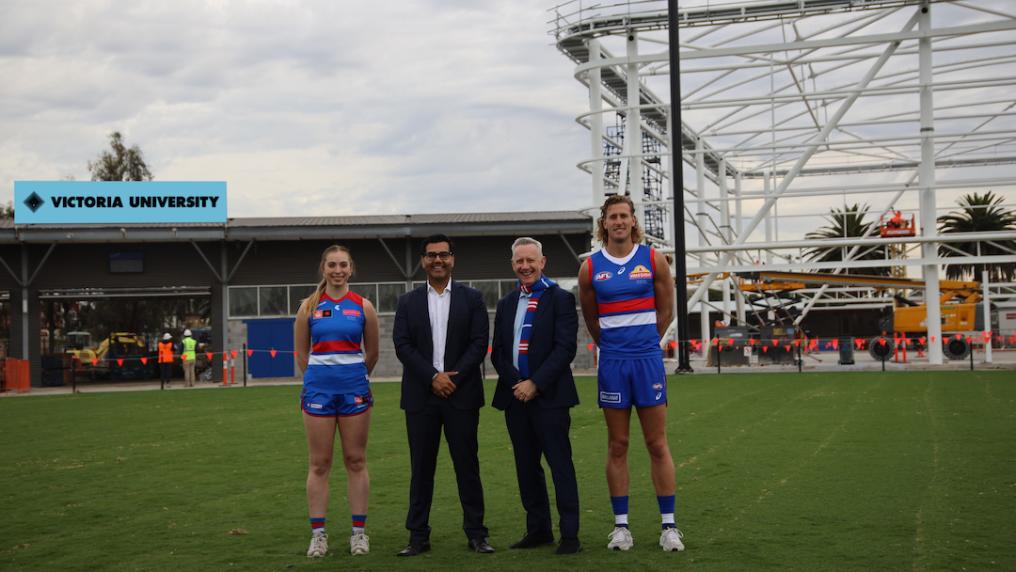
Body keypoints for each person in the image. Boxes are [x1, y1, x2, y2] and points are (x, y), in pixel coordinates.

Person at [577, 195, 685, 553]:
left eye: (625, 216)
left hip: (647, 361)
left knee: (657, 443)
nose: (619, 222)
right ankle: (621, 527)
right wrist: (614, 348)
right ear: (604, 223)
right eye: (613, 217)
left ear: (633, 221)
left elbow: (666, 311)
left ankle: (669, 526)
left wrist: (644, 344)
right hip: (613, 364)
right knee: (618, 445)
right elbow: (592, 319)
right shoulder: (590, 268)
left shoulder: (653, 259)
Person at [393, 234, 493, 556]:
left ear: (453, 259)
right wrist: (432, 377)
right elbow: (402, 345)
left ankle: (477, 533)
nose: (438, 260)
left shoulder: (473, 298)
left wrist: (453, 378)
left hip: (461, 395)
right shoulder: (407, 302)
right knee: (421, 469)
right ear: (423, 260)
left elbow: (479, 343)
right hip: (421, 396)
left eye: (444, 255)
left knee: (468, 466)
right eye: (432, 255)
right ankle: (418, 536)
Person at [491, 237, 581, 555]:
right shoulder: (505, 304)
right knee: (526, 467)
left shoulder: (561, 299)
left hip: (551, 397)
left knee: (560, 465)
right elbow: (498, 352)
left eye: (531, 260)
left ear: (543, 262)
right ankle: (538, 529)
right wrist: (518, 383)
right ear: (513, 265)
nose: (525, 266)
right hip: (516, 398)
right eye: (519, 261)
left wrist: (535, 383)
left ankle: (570, 534)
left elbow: (564, 348)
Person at [293, 245, 380, 558]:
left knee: (355, 460)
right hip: (318, 392)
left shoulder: (364, 307)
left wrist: (353, 377)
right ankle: (318, 534)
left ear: (351, 268)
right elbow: (302, 355)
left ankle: (359, 533)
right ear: (323, 268)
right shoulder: (308, 307)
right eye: (332, 265)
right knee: (319, 464)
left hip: (354, 390)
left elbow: (372, 353)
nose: (338, 270)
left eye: (343, 265)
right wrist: (321, 379)